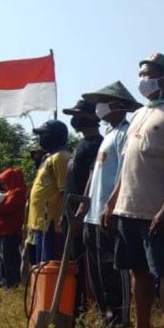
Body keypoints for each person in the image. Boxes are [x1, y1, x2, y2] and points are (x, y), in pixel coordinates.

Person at [103, 53, 164, 328]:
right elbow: (126, 164)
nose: (142, 79)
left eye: (148, 73)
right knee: (137, 271)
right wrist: (111, 203)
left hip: (158, 210)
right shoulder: (140, 114)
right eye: (141, 73)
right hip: (128, 208)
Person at [82, 81, 141, 327]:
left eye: (102, 102)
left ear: (117, 104)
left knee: (114, 268)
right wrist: (83, 207)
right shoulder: (108, 135)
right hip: (92, 214)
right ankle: (105, 314)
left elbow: (125, 174)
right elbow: (95, 176)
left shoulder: (126, 132)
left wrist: (112, 206)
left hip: (110, 211)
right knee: (97, 269)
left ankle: (119, 318)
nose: (99, 107)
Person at [62, 99, 102, 311]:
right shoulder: (80, 144)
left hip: (84, 217)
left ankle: (90, 307)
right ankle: (75, 306)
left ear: (92, 116)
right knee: (73, 263)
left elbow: (91, 181)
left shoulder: (98, 144)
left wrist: (80, 214)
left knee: (86, 265)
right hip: (71, 215)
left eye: (79, 114)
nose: (75, 119)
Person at [27, 120, 70, 265]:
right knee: (40, 266)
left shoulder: (61, 157)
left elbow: (65, 191)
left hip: (52, 222)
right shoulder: (48, 157)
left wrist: (64, 217)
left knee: (50, 265)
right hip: (40, 222)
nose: (41, 139)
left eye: (43, 135)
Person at [0, 168, 27, 288]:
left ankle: (11, 283)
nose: (2, 183)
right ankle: (4, 280)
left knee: (9, 258)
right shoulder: (9, 193)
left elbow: (7, 208)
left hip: (10, 231)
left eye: (4, 180)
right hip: (2, 230)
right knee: (1, 257)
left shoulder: (18, 192)